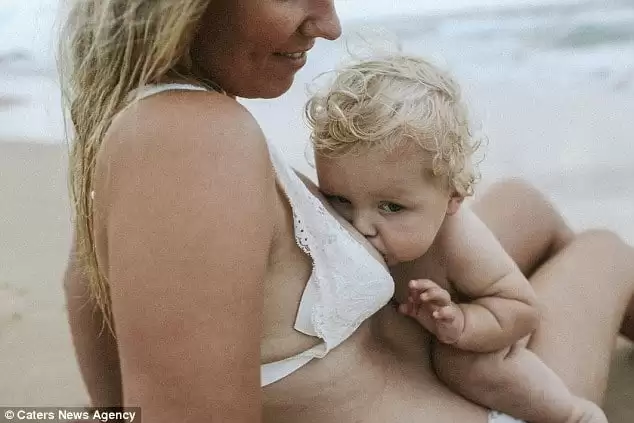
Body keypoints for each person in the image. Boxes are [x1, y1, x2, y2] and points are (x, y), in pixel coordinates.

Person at [58, 1, 634, 422]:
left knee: (523, 202)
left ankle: (509, 335)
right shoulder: (189, 140)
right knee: (603, 249)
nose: (330, 25)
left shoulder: (130, 136)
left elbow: (113, 402)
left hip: (419, 350)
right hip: (482, 409)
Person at [305, 54, 606, 423]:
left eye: (391, 207)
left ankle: (576, 415)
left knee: (472, 366)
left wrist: (462, 323)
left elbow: (523, 311)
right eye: (340, 199)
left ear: (453, 198)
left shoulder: (458, 242)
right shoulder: (381, 219)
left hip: (490, 345)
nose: (360, 226)